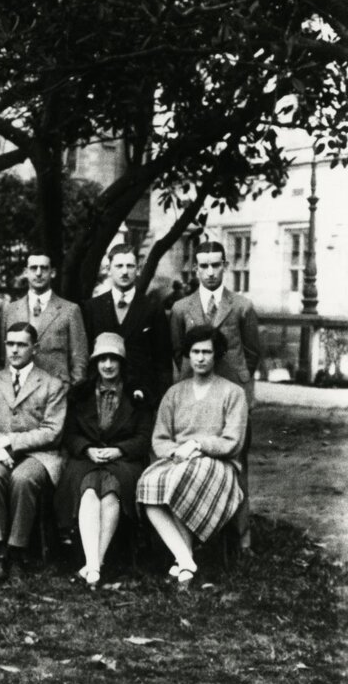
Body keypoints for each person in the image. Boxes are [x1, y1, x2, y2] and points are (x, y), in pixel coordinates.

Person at [137, 325, 248, 589]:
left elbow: (232, 441)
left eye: (206, 352)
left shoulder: (233, 393)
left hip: (218, 463)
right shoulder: (174, 393)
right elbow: (160, 438)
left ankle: (182, 564)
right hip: (177, 460)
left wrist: (198, 444)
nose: (200, 358)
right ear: (188, 354)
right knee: (147, 484)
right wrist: (176, 451)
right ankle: (185, 559)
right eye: (195, 352)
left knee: (177, 482)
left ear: (217, 355)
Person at [169, 240, 260, 549]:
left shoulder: (242, 306)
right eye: (204, 266)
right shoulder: (182, 308)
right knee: (192, 457)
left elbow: (252, 352)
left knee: (236, 460)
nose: (210, 272)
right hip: (195, 394)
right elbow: (177, 350)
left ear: (225, 266)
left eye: (215, 265)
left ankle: (240, 537)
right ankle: (194, 533)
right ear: (196, 269)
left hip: (232, 394)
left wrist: (238, 383)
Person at [54, 332, 153, 587]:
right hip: (87, 458)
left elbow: (144, 437)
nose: (108, 365)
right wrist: (87, 449)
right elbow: (70, 433)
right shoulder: (80, 394)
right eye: (102, 359)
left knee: (111, 490)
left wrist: (120, 450)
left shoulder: (136, 394)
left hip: (123, 460)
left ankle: (92, 566)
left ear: (122, 362)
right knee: (88, 489)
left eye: (114, 359)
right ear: (95, 363)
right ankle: (95, 565)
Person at [0, 322, 67, 585]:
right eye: (10, 344)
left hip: (39, 455)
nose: (14, 350)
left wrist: (9, 443)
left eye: (21, 344)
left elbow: (52, 432)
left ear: (35, 349)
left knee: (23, 479)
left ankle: (17, 552)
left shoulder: (52, 384)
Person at [81, 244, 172, 402]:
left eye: (130, 266)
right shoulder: (92, 308)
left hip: (142, 396)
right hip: (101, 394)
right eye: (119, 266)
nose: (124, 271)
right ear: (109, 269)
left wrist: (158, 398)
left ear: (138, 269)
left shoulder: (152, 308)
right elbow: (85, 354)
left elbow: (163, 361)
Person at [0, 250, 88, 387]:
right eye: (34, 268)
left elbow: (79, 358)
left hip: (56, 394)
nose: (39, 273)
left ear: (52, 272)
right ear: (25, 272)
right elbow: (2, 355)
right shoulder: (10, 310)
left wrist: (68, 390)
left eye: (44, 268)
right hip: (18, 392)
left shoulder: (70, 310)